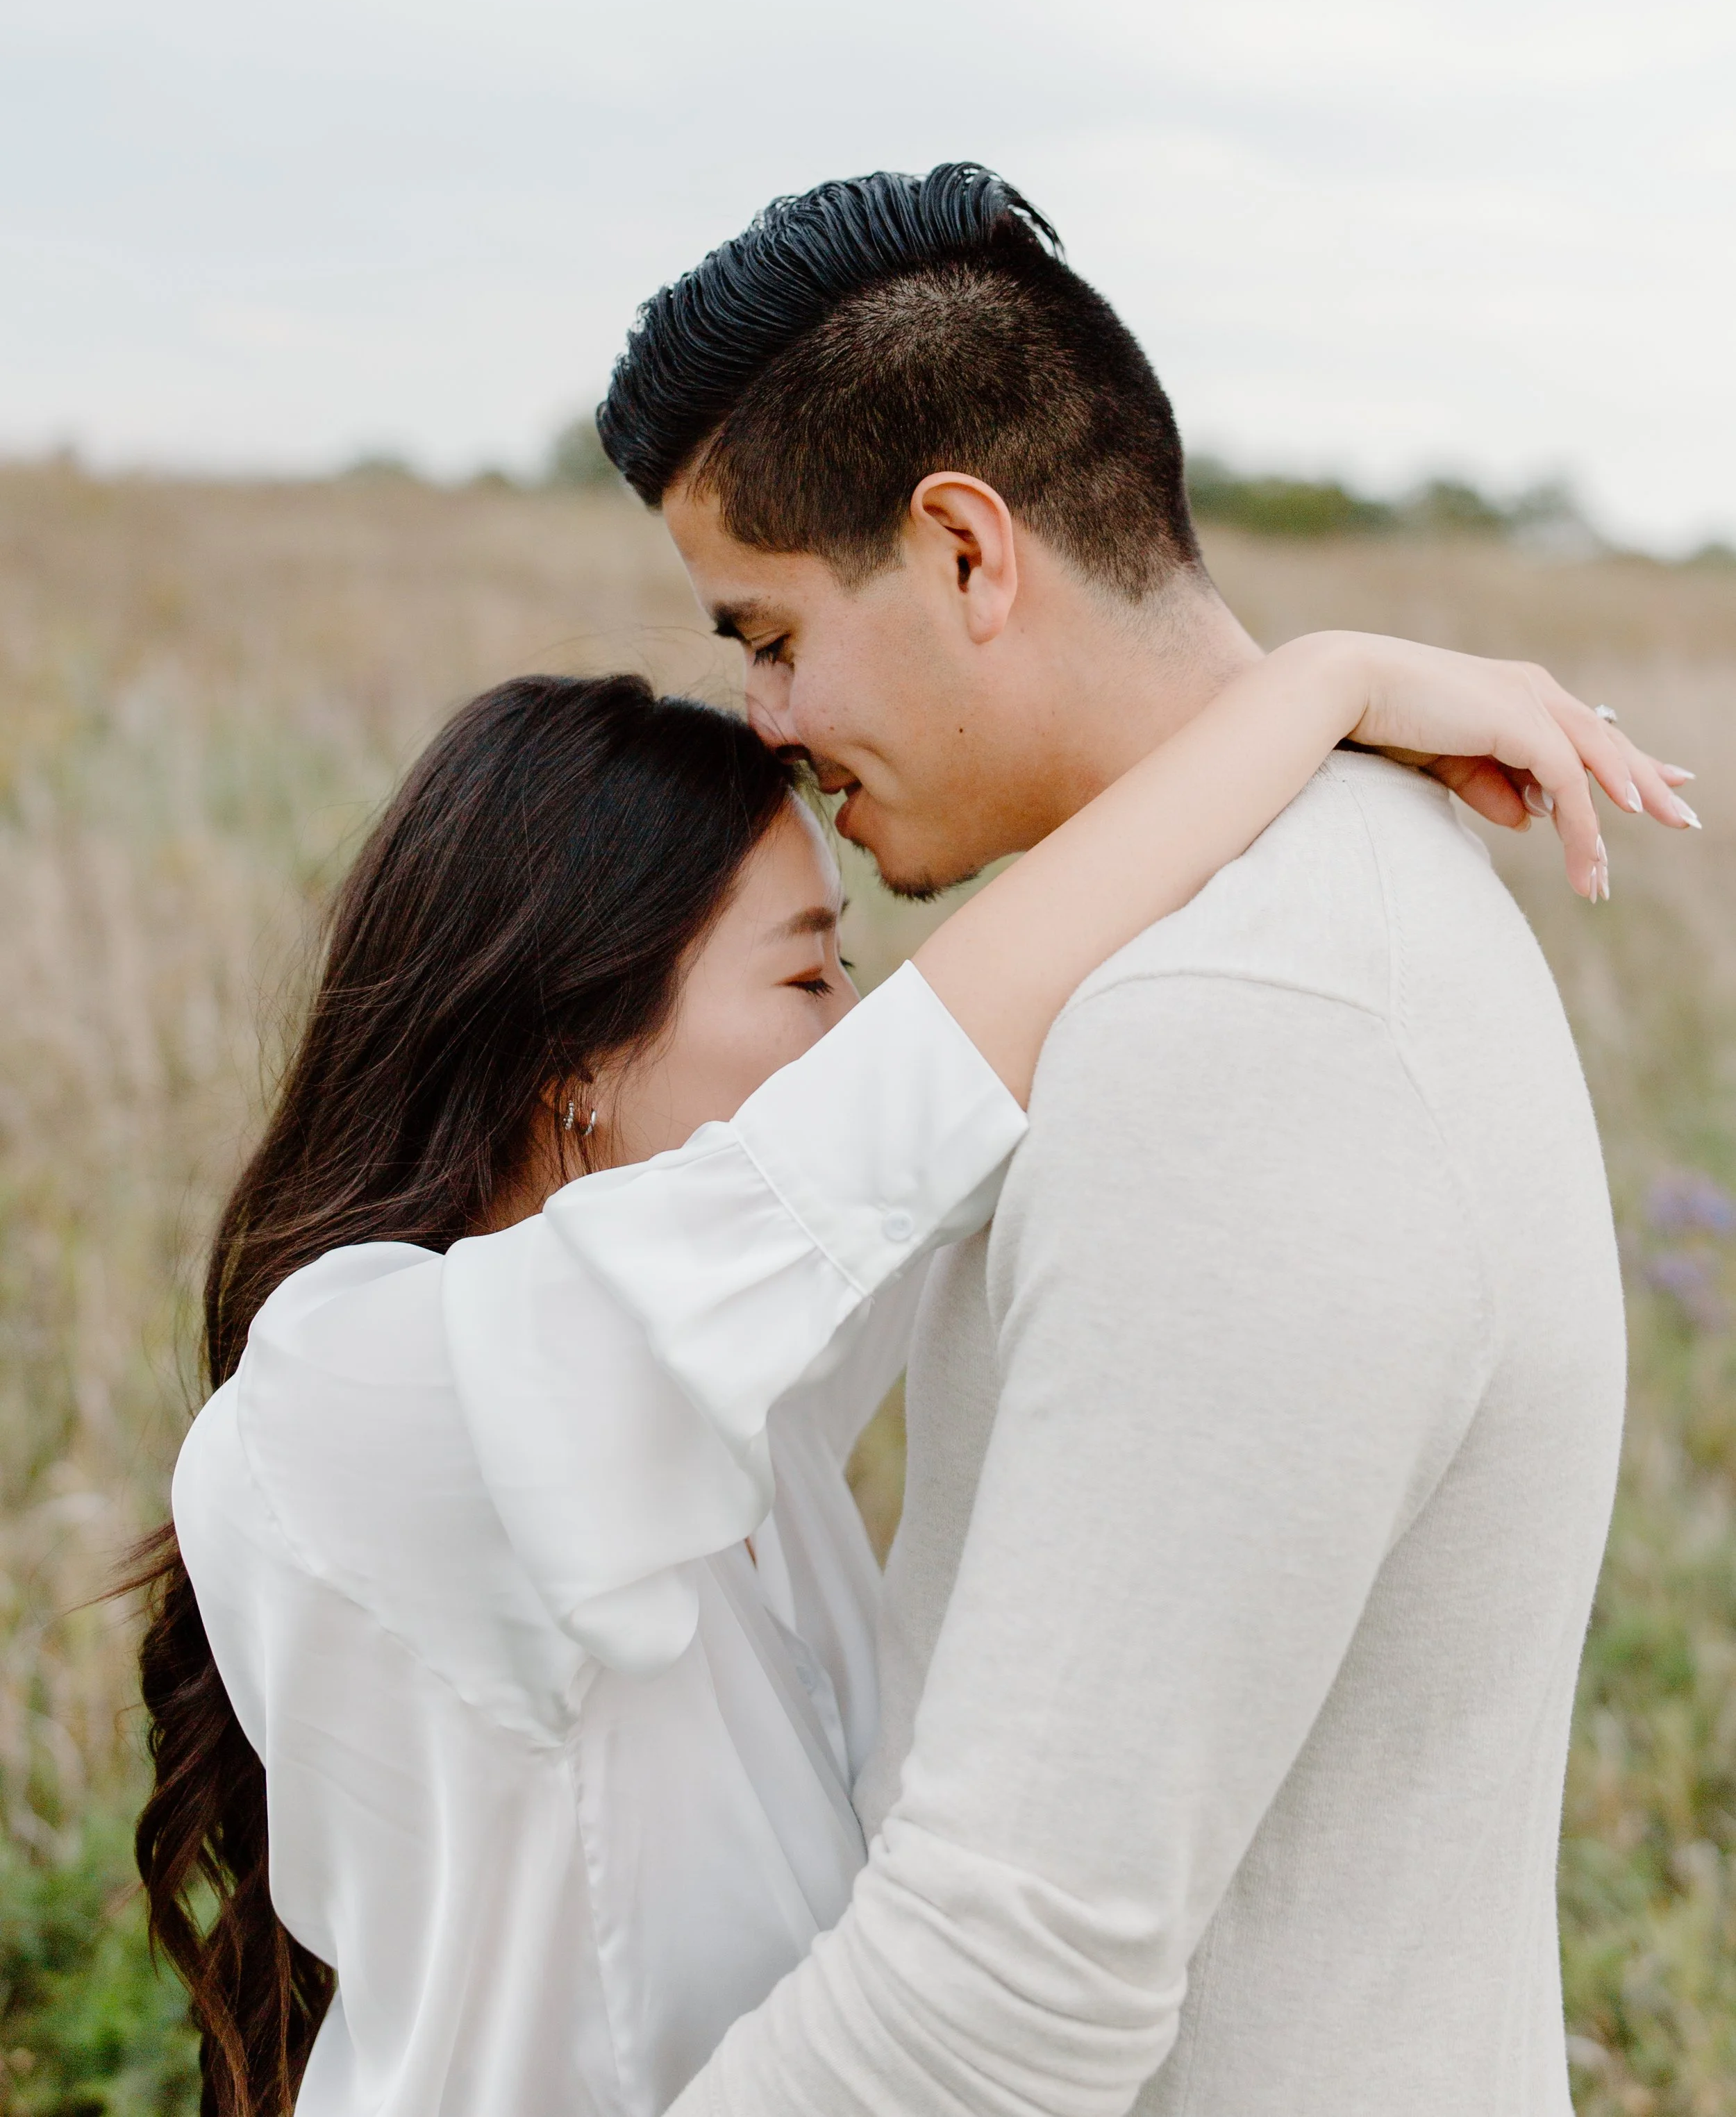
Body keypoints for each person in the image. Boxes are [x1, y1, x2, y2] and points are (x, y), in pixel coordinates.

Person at [142, 637, 1670, 2115]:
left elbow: (957, 1113)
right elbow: (910, 1096)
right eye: (806, 980)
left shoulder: (739, 1392)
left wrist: (1308, 778)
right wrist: (1321, 683)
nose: (850, 1028)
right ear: (574, 1055)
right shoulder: (359, 1390)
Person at [592, 164, 1698, 2117]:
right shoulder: (1289, 911)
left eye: (766, 632)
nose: (759, 714)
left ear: (963, 551)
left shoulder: (1244, 1028)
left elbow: (1002, 1991)